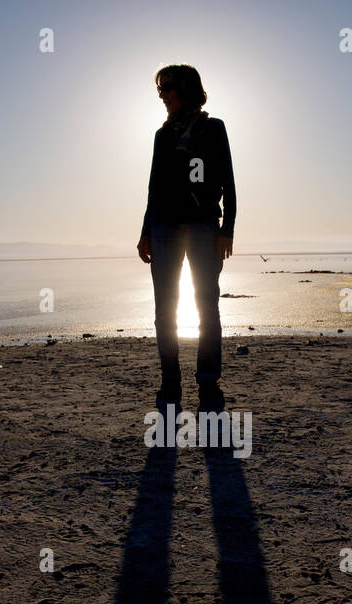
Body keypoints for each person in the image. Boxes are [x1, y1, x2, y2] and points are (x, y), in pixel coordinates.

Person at [136, 64, 236, 411]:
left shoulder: (213, 128)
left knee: (207, 306)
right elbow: (154, 188)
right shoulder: (161, 136)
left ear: (186, 88)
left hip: (203, 228)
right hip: (163, 228)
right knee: (165, 308)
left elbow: (228, 183)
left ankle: (208, 382)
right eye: (159, 88)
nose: (161, 94)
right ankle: (170, 382)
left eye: (167, 87)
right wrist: (144, 232)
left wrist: (227, 230)